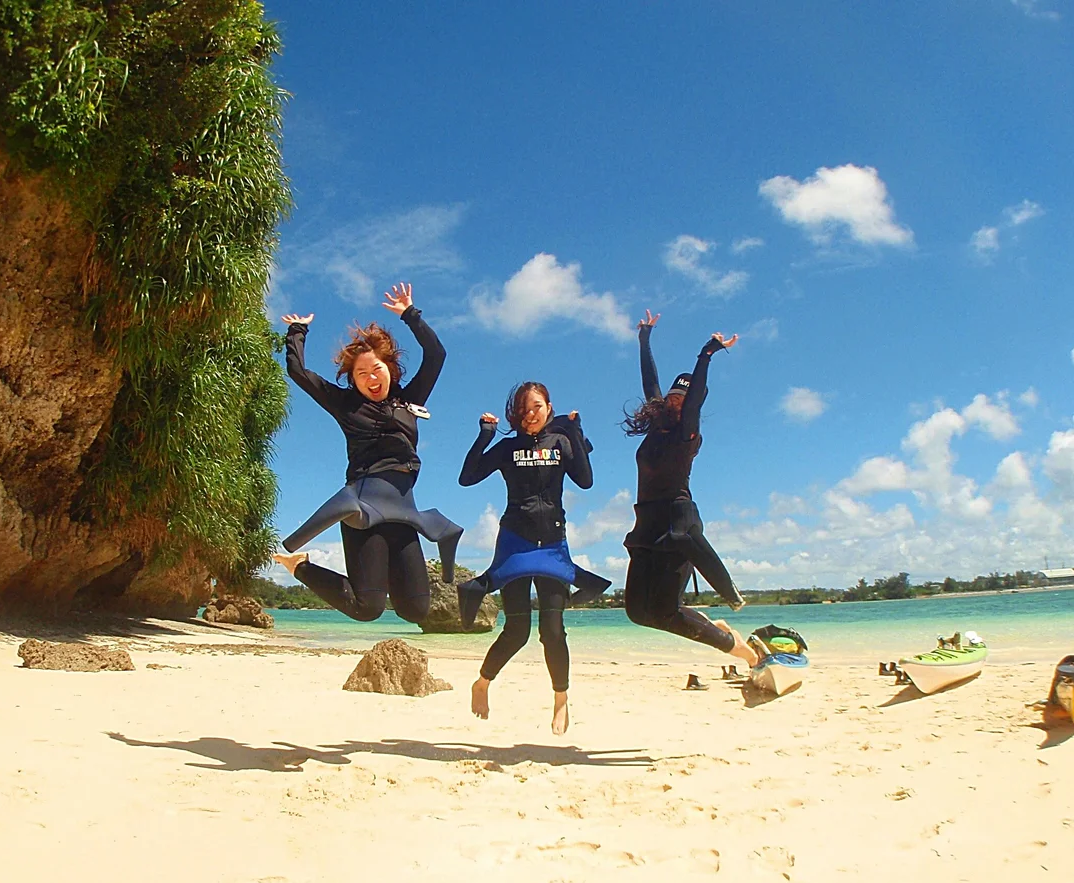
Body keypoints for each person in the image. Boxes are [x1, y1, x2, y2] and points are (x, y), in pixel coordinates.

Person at [273, 283, 462, 623]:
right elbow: (299, 373)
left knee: (417, 609)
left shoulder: (411, 400)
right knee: (368, 608)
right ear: (353, 380)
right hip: (362, 509)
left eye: (376, 369)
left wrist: (410, 314)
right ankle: (300, 566)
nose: (371, 379)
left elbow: (437, 355)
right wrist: (297, 331)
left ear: (389, 368)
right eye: (361, 374)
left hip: (404, 510)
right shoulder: (347, 406)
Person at [456, 382, 610, 735]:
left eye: (537, 406)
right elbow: (467, 478)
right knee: (516, 631)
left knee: (552, 631)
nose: (530, 414)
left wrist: (576, 431)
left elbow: (585, 481)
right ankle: (482, 682)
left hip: (553, 544)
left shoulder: (561, 444)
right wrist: (484, 437)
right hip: (515, 541)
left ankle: (560, 698)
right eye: (524, 409)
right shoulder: (508, 448)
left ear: (549, 407)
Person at [621, 309, 760, 665]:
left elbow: (695, 395)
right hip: (645, 523)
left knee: (667, 611)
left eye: (683, 400)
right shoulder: (656, 426)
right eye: (673, 397)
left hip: (676, 519)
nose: (677, 401)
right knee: (638, 612)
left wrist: (706, 354)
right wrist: (644, 338)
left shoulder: (688, 433)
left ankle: (737, 643)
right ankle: (723, 631)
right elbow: (649, 379)